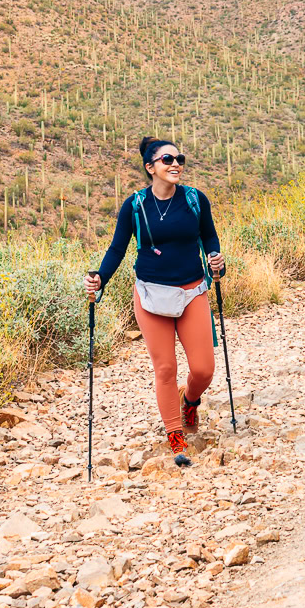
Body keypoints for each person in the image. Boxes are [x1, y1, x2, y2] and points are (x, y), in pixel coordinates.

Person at [84, 137, 225, 464]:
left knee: (203, 370)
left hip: (192, 291)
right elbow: (117, 249)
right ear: (150, 168)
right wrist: (100, 278)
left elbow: (209, 238)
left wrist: (216, 259)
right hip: (150, 295)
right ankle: (175, 435)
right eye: (167, 160)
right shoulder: (135, 206)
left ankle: (189, 401)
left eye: (179, 159)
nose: (175, 164)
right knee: (165, 368)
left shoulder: (194, 200)